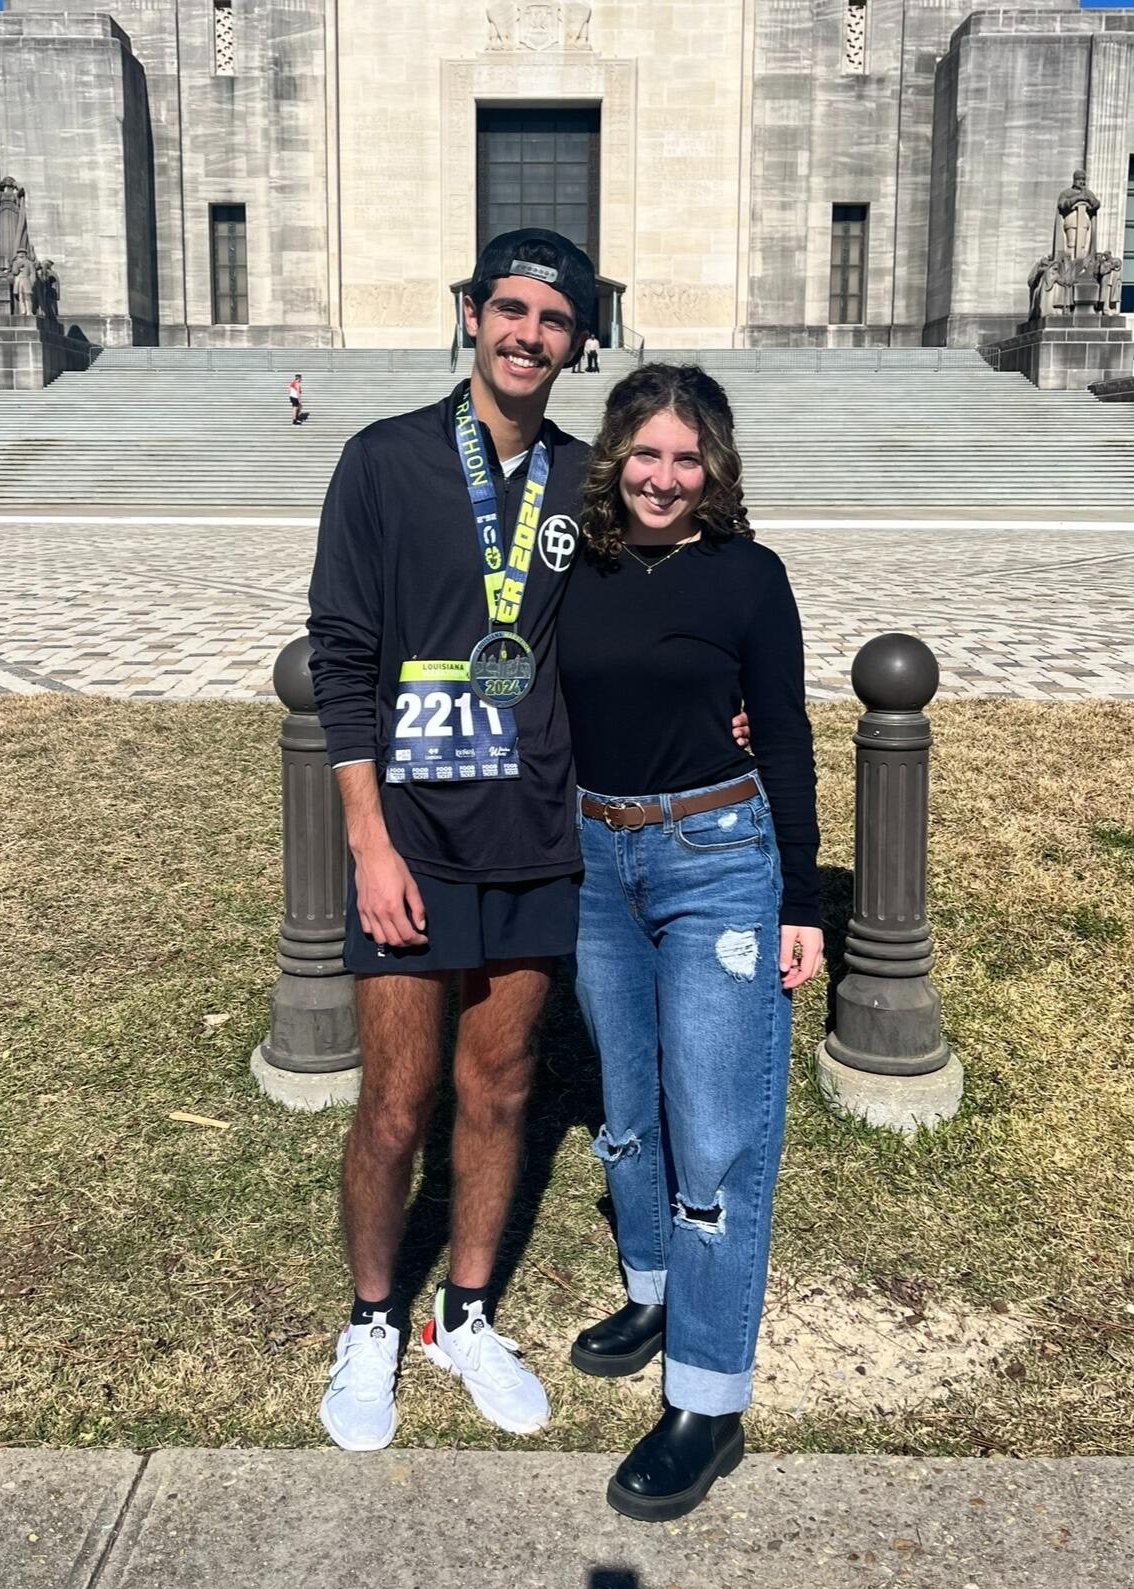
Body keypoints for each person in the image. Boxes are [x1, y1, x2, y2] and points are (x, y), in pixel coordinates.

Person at [307, 228, 600, 1452]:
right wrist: (369, 845)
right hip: (412, 839)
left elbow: (639, 637)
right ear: (474, 313)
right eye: (512, 309)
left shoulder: (589, 481)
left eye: (555, 319)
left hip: (533, 834)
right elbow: (344, 660)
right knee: (396, 1099)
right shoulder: (385, 461)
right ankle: (374, 1317)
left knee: (504, 1086)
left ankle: (463, 1314)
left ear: (580, 342)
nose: (529, 333)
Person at [557, 363, 824, 1522]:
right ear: (615, 457)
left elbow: (792, 738)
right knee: (627, 1103)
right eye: (646, 454)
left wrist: (803, 900)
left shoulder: (749, 578)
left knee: (714, 1133)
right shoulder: (578, 561)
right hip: (595, 857)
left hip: (715, 858)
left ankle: (709, 1402)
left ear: (714, 468)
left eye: (687, 458)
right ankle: (656, 1287)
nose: (663, 478)